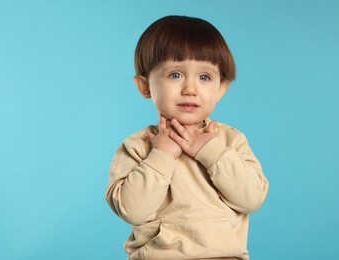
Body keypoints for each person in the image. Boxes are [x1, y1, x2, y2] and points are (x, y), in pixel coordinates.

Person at [105, 15, 269, 260]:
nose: (190, 89)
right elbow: (133, 211)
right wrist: (161, 154)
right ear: (145, 86)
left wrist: (211, 152)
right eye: (175, 75)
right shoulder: (138, 146)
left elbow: (252, 199)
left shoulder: (229, 140)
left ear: (220, 89)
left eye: (204, 77)